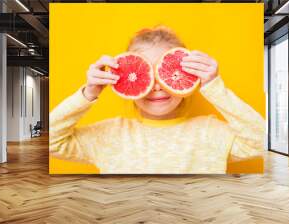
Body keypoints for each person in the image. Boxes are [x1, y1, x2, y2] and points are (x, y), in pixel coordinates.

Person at [49, 26, 265, 174]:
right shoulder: (109, 135)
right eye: (145, 74)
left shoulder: (211, 132)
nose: (157, 85)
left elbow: (261, 141)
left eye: (166, 73)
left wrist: (214, 86)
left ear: (190, 75)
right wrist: (88, 93)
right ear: (124, 80)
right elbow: (51, 142)